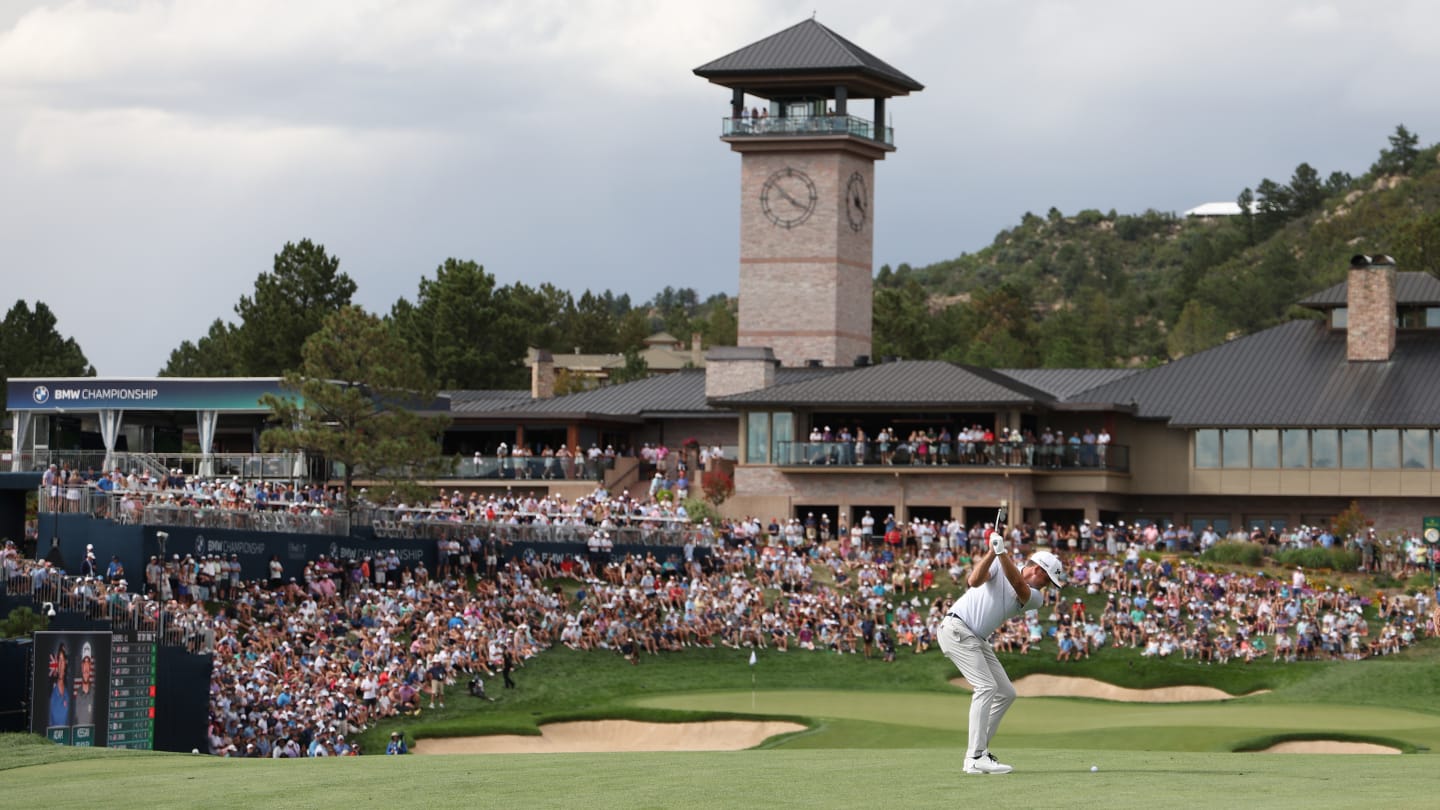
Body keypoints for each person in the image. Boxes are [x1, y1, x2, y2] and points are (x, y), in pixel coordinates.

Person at [939, 529, 1066, 775]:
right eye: (1047, 579)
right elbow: (973, 581)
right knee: (986, 687)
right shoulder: (998, 563)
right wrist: (990, 553)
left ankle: (979, 751)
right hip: (956, 629)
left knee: (1006, 692)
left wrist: (1001, 551)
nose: (1047, 586)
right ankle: (975, 756)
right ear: (1037, 569)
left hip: (976, 638)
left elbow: (1018, 584)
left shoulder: (1036, 597)